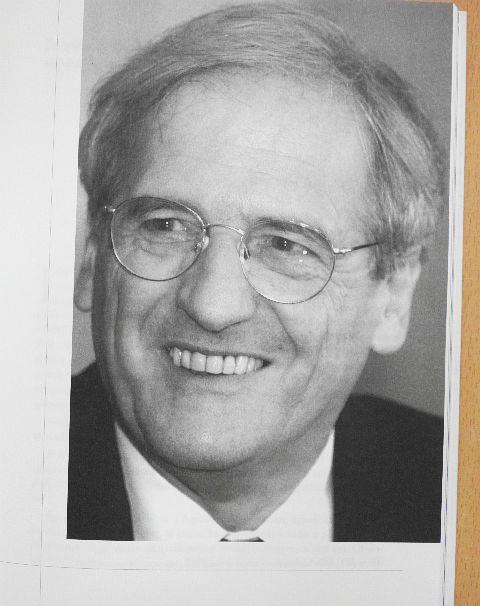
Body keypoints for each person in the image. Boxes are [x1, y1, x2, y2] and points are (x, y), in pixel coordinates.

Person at [68, 1, 445, 543]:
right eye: (165, 226)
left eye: (286, 245)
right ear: (92, 255)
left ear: (393, 297)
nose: (212, 305)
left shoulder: (453, 493)